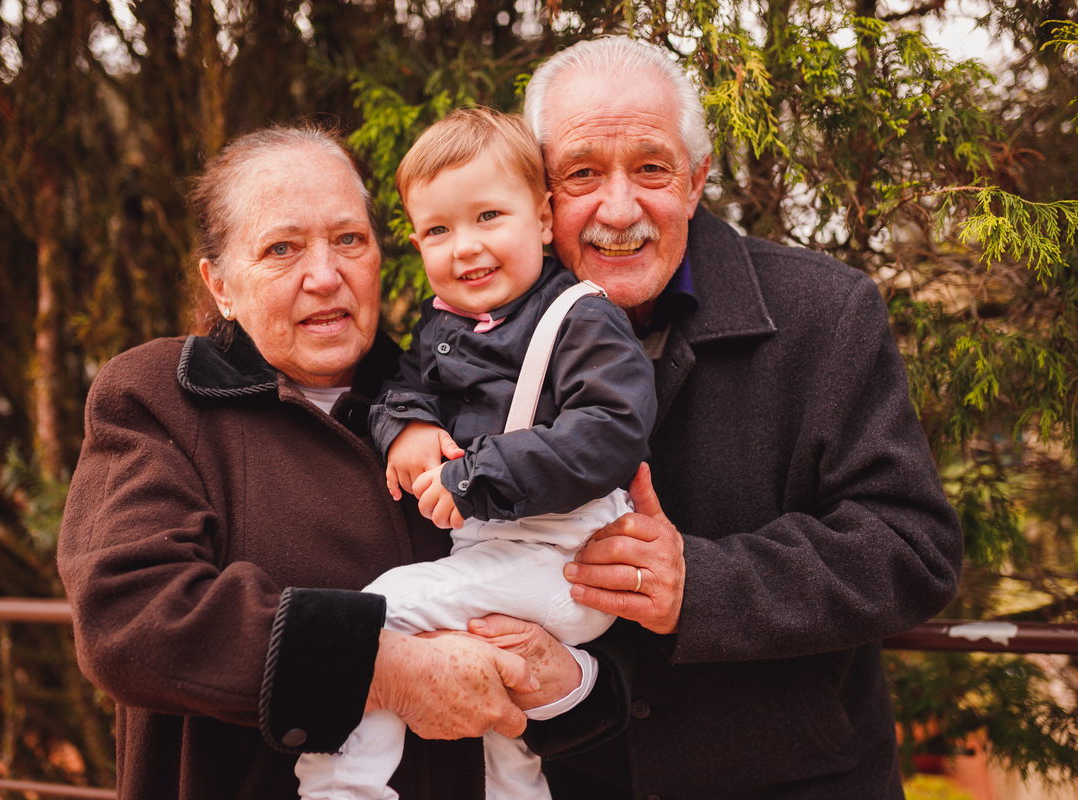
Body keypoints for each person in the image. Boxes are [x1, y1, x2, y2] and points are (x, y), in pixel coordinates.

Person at [56, 124, 597, 800]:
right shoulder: (161, 396)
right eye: (282, 249)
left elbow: (545, 592)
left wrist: (571, 685)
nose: (324, 275)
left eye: (349, 240)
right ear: (220, 284)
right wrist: (385, 669)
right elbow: (131, 617)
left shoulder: (459, 388)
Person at [506, 36, 965, 799]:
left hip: (797, 781)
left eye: (651, 168)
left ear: (694, 181)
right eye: (582, 173)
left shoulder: (824, 313)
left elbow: (912, 548)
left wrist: (704, 586)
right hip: (569, 777)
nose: (618, 209)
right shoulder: (491, 333)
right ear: (543, 196)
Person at [294, 108, 655, 800]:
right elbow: (396, 389)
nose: (465, 248)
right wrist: (405, 429)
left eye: (489, 216)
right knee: (503, 732)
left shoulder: (581, 316)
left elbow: (611, 429)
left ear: (545, 220)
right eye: (438, 230)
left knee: (382, 609)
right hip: (501, 556)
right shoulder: (444, 327)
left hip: (567, 558)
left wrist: (473, 476)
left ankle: (344, 786)